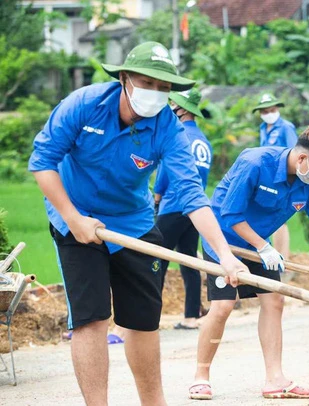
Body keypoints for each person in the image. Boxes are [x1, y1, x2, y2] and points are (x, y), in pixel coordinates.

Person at [28, 42, 249, 406]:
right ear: (125, 78)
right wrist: (73, 218)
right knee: (92, 320)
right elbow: (42, 162)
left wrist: (224, 254)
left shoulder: (168, 128)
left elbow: (192, 195)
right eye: (149, 83)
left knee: (143, 322)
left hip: (134, 222)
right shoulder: (83, 105)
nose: (157, 94)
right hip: (76, 218)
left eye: (165, 88)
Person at [189, 123, 309, 400]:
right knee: (223, 306)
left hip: (260, 243)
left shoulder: (307, 183)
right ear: (302, 159)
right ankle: (201, 376)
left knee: (275, 301)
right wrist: (263, 247)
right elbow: (230, 214)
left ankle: (275, 379)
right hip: (225, 241)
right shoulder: (255, 163)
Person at [154, 87, 213, 330]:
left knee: (156, 258)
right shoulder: (203, 141)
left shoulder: (178, 135)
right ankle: (191, 316)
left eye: (172, 104)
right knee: (189, 259)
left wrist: (157, 196)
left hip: (173, 205)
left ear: (181, 109)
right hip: (195, 208)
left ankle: (148, 317)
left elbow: (166, 172)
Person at [252, 94, 298, 262]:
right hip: (266, 177)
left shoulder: (286, 127)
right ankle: (270, 254)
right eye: (264, 111)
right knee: (266, 215)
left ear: (277, 109)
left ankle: (283, 259)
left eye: (271, 110)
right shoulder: (263, 128)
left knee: (279, 219)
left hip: (282, 177)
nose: (268, 113)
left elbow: (295, 152)